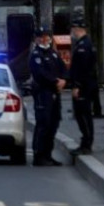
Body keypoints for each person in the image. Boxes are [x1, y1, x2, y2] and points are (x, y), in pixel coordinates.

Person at [29, 27, 67, 166]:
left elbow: (63, 68)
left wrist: (64, 80)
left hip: (55, 93)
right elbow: (40, 74)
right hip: (43, 93)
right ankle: (39, 155)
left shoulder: (53, 53)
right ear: (36, 39)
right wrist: (56, 81)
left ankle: (48, 154)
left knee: (53, 123)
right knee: (43, 123)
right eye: (41, 37)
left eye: (46, 37)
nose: (44, 39)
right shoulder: (36, 55)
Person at [68, 15, 97, 155]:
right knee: (82, 114)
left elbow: (83, 69)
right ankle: (86, 142)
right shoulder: (84, 44)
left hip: (83, 87)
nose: (72, 31)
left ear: (78, 29)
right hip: (85, 85)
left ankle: (86, 143)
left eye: (73, 28)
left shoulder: (83, 46)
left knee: (83, 115)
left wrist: (77, 86)